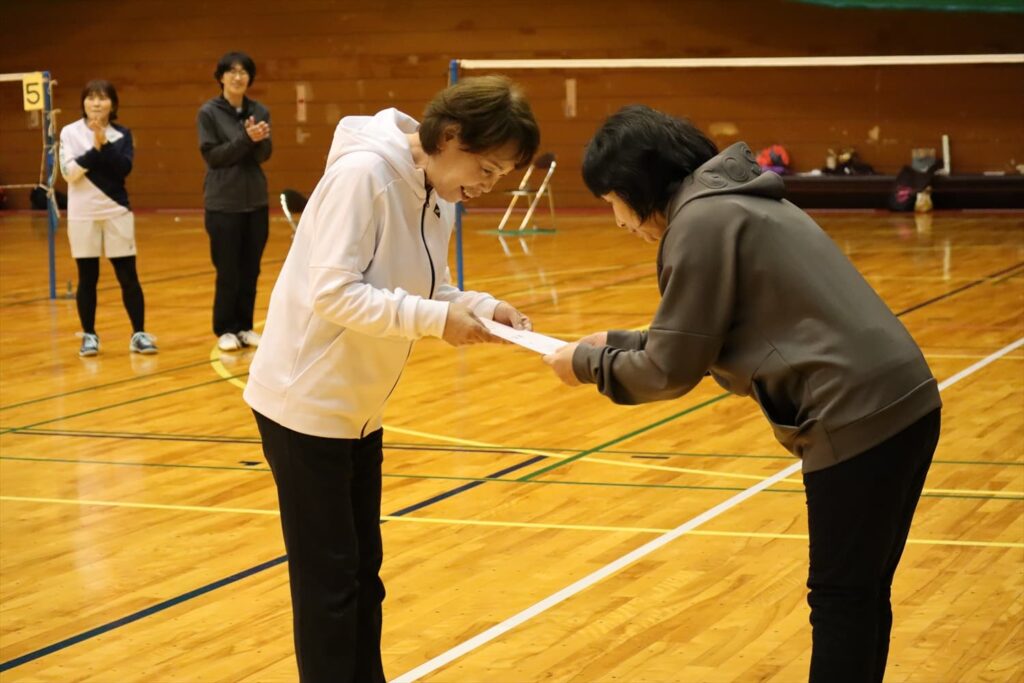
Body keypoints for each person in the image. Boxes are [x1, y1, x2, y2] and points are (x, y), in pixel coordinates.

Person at [543, 105, 941, 683]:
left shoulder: (699, 222)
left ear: (636, 183)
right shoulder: (735, 200)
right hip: (903, 399)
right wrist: (616, 342)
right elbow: (708, 333)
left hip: (855, 412)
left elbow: (670, 370)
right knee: (860, 592)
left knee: (842, 598)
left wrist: (585, 364)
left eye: (612, 201)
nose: (619, 220)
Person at [243, 75, 540, 682]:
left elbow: (427, 286)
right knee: (330, 587)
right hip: (304, 406)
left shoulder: (438, 194)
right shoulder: (364, 177)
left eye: (501, 176)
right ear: (449, 136)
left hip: (358, 409)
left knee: (362, 576)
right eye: (486, 169)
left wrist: (482, 307)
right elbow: (334, 293)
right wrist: (436, 321)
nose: (488, 186)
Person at [59, 79, 157, 357]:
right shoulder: (69, 132)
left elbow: (123, 169)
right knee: (87, 277)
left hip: (116, 211)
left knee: (128, 276)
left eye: (102, 98)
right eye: (91, 97)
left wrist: (105, 144)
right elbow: (69, 173)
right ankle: (89, 336)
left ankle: (139, 334)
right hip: (82, 214)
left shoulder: (122, 135)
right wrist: (95, 149)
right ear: (83, 103)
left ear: (112, 105)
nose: (96, 103)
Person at [197, 50, 271, 352]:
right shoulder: (208, 113)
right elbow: (214, 156)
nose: (238, 77)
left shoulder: (259, 110)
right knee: (228, 270)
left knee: (251, 269)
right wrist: (246, 139)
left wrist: (257, 141)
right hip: (223, 203)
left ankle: (244, 326)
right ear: (221, 77)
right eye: (232, 71)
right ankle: (225, 328)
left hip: (255, 201)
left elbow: (264, 154)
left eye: (243, 72)